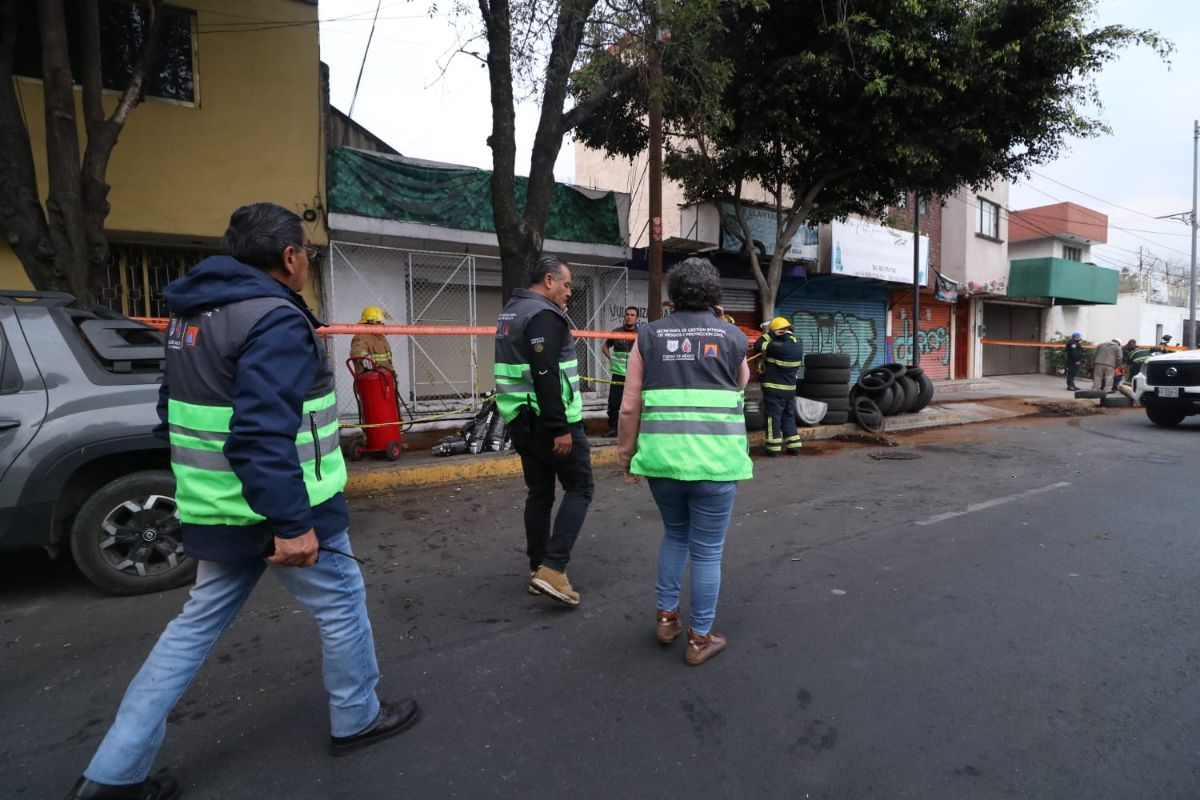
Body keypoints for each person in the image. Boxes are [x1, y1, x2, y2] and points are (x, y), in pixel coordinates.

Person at [65, 204, 420, 800]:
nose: (308, 259)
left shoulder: (190, 317)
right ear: (288, 257)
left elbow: (169, 412)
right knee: (341, 606)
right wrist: (290, 523)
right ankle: (357, 717)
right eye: (306, 250)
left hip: (215, 507)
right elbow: (260, 432)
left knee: (192, 629)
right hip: (282, 510)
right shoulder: (275, 319)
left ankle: (112, 773)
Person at [618, 257, 753, 666]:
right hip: (716, 462)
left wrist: (627, 456)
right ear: (714, 296)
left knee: (675, 536)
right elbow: (742, 381)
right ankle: (699, 640)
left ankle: (666, 619)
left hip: (662, 461)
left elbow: (629, 406)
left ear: (673, 295)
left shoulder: (648, 335)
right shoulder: (732, 336)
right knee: (708, 552)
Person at [494, 254, 594, 606]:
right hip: (549, 423)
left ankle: (537, 568)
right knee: (580, 487)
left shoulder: (513, 310)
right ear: (549, 281)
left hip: (521, 421)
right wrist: (560, 428)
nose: (569, 292)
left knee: (539, 493)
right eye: (566, 285)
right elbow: (546, 374)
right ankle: (553, 569)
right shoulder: (543, 315)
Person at [753, 316, 804, 456]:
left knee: (773, 418)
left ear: (777, 331)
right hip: (789, 390)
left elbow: (759, 344)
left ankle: (773, 448)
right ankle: (794, 446)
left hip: (774, 390)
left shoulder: (777, 346)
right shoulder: (797, 343)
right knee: (788, 416)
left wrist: (769, 334)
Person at [602, 306, 640, 436]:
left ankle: (634, 430)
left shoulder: (641, 333)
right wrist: (611, 358)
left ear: (637, 318)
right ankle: (613, 429)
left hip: (635, 375)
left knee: (635, 403)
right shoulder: (616, 332)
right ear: (624, 317)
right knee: (614, 403)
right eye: (627, 314)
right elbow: (605, 347)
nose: (629, 316)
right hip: (618, 375)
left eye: (632, 315)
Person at [350, 306, 393, 375]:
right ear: (371, 322)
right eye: (380, 322)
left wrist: (394, 377)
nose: (383, 325)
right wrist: (365, 357)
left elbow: (389, 362)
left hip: (387, 379)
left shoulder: (381, 338)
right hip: (371, 380)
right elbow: (356, 350)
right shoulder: (361, 336)